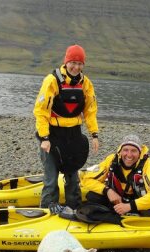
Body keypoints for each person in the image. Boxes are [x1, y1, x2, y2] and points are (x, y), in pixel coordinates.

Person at [33, 44, 99, 210]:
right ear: (66, 62)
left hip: (74, 135)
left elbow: (90, 111)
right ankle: (48, 208)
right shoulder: (52, 81)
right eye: (73, 62)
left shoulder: (86, 84)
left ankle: (74, 207)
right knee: (51, 178)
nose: (76, 67)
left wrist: (94, 134)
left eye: (80, 63)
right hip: (52, 135)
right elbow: (41, 111)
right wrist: (44, 138)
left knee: (73, 176)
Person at [81, 134, 150, 217]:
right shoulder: (111, 160)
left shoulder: (148, 167)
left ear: (140, 153)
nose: (129, 155)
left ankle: (134, 216)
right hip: (118, 199)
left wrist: (130, 206)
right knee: (92, 196)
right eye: (125, 150)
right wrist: (108, 191)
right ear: (120, 151)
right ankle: (113, 214)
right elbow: (87, 179)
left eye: (133, 151)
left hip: (136, 201)